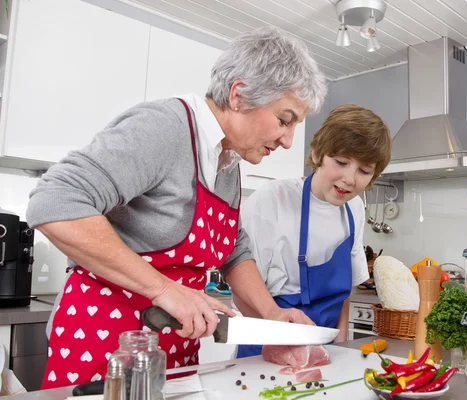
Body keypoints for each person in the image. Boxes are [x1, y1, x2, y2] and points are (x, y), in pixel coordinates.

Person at [26, 26, 326, 388]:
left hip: (173, 350)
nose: (289, 140)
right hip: (106, 345)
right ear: (239, 95)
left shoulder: (227, 160)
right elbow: (54, 201)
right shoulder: (164, 128)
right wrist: (165, 290)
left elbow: (232, 249)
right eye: (284, 120)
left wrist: (272, 317)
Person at [235, 104, 392, 358]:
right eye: (341, 162)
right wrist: (276, 344)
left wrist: (341, 350)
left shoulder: (354, 209)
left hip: (325, 352)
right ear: (317, 154)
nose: (350, 179)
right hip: (266, 351)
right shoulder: (272, 201)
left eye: (364, 171)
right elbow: (243, 291)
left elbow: (343, 295)